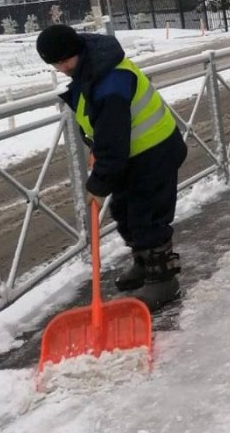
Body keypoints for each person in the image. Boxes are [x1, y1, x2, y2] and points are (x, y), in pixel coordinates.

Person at [36, 24, 188, 309]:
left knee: (147, 216)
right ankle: (145, 264)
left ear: (75, 52)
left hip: (154, 152)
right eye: (54, 64)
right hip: (135, 155)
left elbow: (113, 140)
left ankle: (164, 280)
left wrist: (98, 184)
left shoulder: (110, 81)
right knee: (125, 212)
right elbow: (100, 125)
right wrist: (95, 146)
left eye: (62, 61)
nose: (60, 69)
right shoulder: (91, 67)